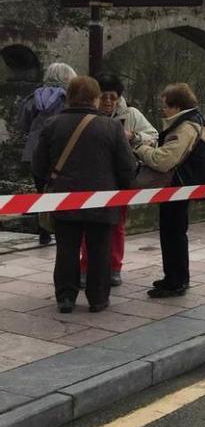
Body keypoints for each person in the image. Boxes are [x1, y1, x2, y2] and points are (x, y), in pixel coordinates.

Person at [32, 76, 137, 313]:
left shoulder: (52, 124)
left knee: (67, 248)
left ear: (68, 97)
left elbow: (38, 166)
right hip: (103, 200)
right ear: (96, 98)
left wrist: (50, 184)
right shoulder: (112, 127)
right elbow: (127, 168)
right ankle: (98, 299)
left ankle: (66, 298)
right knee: (100, 248)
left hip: (64, 198)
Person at [78, 73, 159, 288]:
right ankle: (86, 267)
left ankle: (114, 268)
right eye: (103, 97)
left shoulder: (130, 114)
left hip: (120, 178)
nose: (107, 102)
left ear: (119, 98)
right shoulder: (87, 115)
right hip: (91, 178)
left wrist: (133, 137)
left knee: (117, 226)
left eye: (112, 97)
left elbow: (154, 136)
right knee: (88, 225)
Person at [134, 84, 205, 298]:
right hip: (184, 185)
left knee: (173, 232)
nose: (163, 111)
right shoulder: (197, 122)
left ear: (177, 106)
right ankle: (175, 276)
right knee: (173, 231)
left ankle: (176, 281)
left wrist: (139, 148)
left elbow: (164, 160)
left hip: (177, 185)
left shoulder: (185, 127)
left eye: (166, 106)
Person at [18, 63, 77, 245]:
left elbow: (24, 123)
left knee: (40, 189)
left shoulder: (33, 98)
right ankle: (60, 227)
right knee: (59, 189)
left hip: (34, 150)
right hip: (60, 150)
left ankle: (43, 231)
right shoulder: (68, 99)